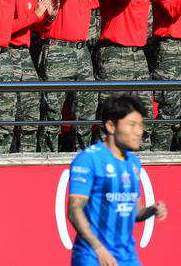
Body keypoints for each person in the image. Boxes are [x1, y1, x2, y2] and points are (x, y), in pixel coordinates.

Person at [66, 95, 168, 266]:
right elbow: (74, 211)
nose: (139, 131)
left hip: (127, 256)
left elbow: (134, 210)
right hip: (94, 256)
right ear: (111, 126)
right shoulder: (89, 159)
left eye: (141, 125)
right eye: (132, 125)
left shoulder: (133, 162)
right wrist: (99, 249)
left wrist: (151, 210)